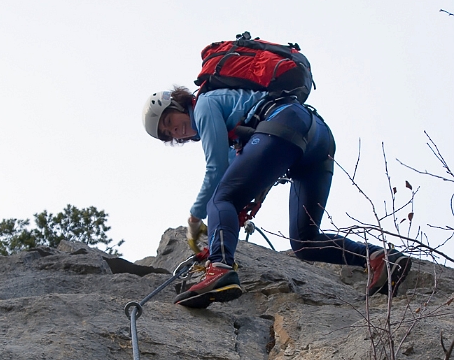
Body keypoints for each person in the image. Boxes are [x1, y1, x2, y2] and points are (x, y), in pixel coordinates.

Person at [142, 86, 412, 308]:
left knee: (219, 199)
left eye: (169, 121)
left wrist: (194, 218)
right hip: (316, 141)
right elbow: (239, 180)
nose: (175, 131)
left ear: (177, 105)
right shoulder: (231, 131)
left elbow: (217, 173)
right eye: (168, 134)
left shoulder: (203, 105)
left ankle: (220, 268)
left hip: (285, 121)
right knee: (304, 242)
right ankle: (379, 258)